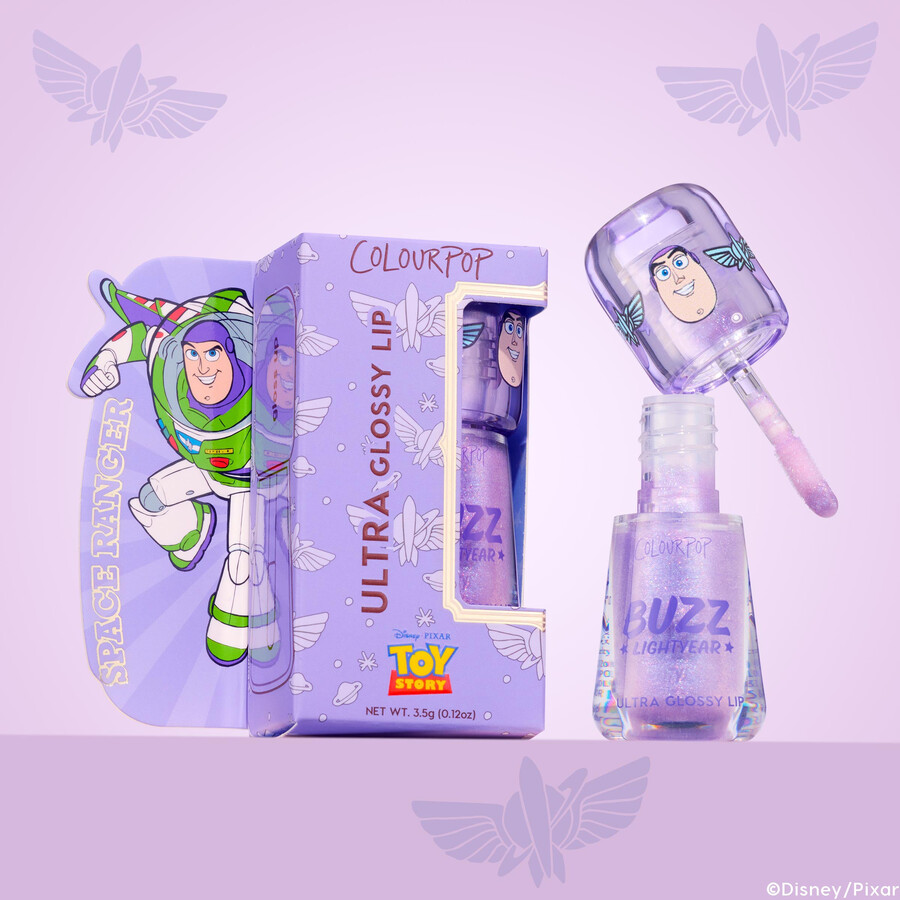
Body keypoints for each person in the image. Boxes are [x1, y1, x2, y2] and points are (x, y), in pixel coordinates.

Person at [81, 278, 255, 666]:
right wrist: (105, 361)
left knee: (241, 563)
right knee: (150, 500)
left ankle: (230, 626)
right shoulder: (169, 368)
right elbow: (140, 336)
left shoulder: (264, 377)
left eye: (212, 352)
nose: (202, 367)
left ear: (231, 350)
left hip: (252, 485)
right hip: (207, 470)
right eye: (192, 354)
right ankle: (191, 533)